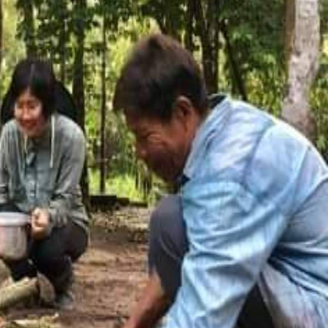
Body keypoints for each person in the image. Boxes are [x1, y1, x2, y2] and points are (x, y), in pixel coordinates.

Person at [115, 34, 328, 328]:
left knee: (175, 225)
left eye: (145, 136)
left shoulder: (231, 173)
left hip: (313, 306)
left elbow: (205, 309)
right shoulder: (224, 129)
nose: (140, 152)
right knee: (171, 221)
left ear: (183, 112)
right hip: (292, 289)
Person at [0, 58, 89, 311]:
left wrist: (47, 217)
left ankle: (62, 283)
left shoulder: (72, 137)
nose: (24, 115)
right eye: (18, 106)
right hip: (23, 222)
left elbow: (65, 202)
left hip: (67, 224)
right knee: (1, 237)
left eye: (31, 106)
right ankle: (28, 287)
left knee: (47, 250)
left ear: (47, 105)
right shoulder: (10, 133)